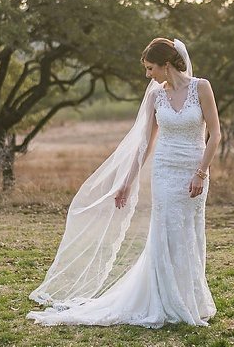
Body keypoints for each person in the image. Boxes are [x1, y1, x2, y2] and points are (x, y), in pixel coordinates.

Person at [26, 37, 220, 328]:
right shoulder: (156, 96)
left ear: (167, 65)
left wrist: (201, 173)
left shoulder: (201, 87)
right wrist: (127, 183)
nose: (147, 75)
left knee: (190, 235)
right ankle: (166, 301)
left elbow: (215, 134)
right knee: (166, 234)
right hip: (165, 172)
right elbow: (144, 145)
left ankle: (190, 299)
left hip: (194, 171)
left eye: (150, 68)